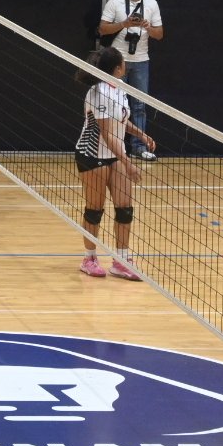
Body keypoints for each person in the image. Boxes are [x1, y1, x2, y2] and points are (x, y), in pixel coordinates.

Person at [74, 47, 155, 280]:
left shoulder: (119, 88)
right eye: (123, 63)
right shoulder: (98, 92)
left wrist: (141, 135)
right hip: (92, 154)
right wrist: (128, 162)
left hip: (115, 154)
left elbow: (122, 120)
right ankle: (89, 258)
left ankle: (121, 260)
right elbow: (107, 133)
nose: (126, 65)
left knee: (124, 207)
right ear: (118, 67)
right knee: (95, 208)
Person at [98, 0, 164, 161]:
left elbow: (159, 34)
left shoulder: (152, 4)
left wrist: (146, 26)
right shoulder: (115, 2)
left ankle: (139, 147)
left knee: (139, 106)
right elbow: (102, 28)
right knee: (112, 104)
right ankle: (112, 145)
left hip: (141, 61)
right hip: (117, 61)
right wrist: (124, 24)